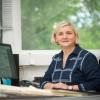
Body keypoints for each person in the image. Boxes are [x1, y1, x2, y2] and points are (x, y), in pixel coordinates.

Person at [39, 21, 100, 92]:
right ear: (56, 38)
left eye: (69, 33)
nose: (64, 37)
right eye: (60, 34)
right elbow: (43, 82)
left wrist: (69, 87)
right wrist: (54, 86)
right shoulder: (56, 58)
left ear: (75, 36)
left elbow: (97, 83)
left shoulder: (87, 57)